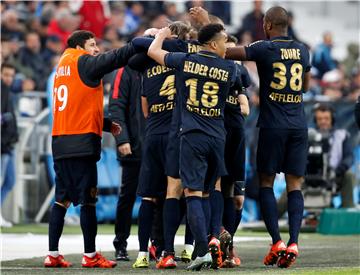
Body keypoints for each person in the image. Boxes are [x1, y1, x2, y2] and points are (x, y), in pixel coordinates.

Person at [147, 23, 242, 271]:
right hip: (217, 137)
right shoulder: (230, 68)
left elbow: (153, 52)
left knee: (192, 193)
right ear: (212, 44)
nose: (226, 47)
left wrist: (161, 35)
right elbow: (240, 86)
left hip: (192, 136)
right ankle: (210, 240)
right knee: (211, 192)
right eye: (223, 42)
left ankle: (202, 248)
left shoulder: (185, 61)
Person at [226, 6, 311, 268]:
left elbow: (225, 51)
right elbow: (305, 87)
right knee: (295, 185)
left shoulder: (264, 48)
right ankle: (294, 241)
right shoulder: (303, 49)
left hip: (273, 125)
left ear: (268, 25)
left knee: (266, 182)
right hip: (298, 125)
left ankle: (277, 241)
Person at [44, 30, 137, 268]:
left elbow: (76, 105)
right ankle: (90, 255)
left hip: (60, 141)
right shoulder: (82, 61)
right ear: (79, 47)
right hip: (81, 145)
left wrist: (106, 124)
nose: (96, 49)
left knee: (61, 200)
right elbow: (113, 58)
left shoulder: (62, 66)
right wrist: (138, 43)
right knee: (88, 201)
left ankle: (52, 254)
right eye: (92, 44)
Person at [220, 35, 250, 268]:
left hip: (236, 141)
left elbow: (246, 108)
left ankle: (229, 243)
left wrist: (243, 99)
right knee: (215, 192)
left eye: (233, 52)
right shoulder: (212, 71)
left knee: (237, 198)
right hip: (216, 138)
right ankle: (216, 243)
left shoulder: (240, 74)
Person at [108, 65, 144, 261]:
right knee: (128, 195)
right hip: (134, 145)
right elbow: (116, 106)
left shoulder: (162, 65)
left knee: (158, 196)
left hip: (155, 144)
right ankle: (120, 244)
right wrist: (122, 139)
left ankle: (157, 245)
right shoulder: (126, 70)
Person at [312, 104, 354, 208]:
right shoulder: (309, 136)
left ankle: (348, 210)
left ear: (332, 119)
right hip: (312, 175)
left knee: (348, 176)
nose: (323, 121)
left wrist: (339, 170)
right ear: (315, 120)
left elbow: (349, 157)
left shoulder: (341, 135)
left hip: (335, 175)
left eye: (326, 118)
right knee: (293, 180)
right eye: (320, 119)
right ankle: (271, 214)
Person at [1, 63, 18, 228]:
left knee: (10, 180)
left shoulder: (8, 92)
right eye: (6, 75)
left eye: (11, 76)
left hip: (9, 144)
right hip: (3, 145)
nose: (8, 79)